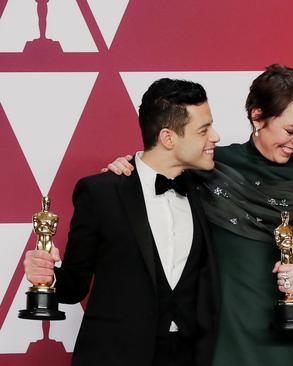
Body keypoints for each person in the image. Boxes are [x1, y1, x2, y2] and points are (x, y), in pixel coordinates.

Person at [105, 64, 293, 366]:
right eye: (290, 130)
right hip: (227, 334)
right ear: (257, 116)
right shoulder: (212, 166)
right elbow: (156, 170)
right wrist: (124, 168)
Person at [23, 78, 221, 366]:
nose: (215, 136)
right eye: (203, 130)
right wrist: (46, 276)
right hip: (114, 355)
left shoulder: (206, 189)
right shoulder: (101, 192)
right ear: (168, 138)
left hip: (188, 356)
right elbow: (74, 286)